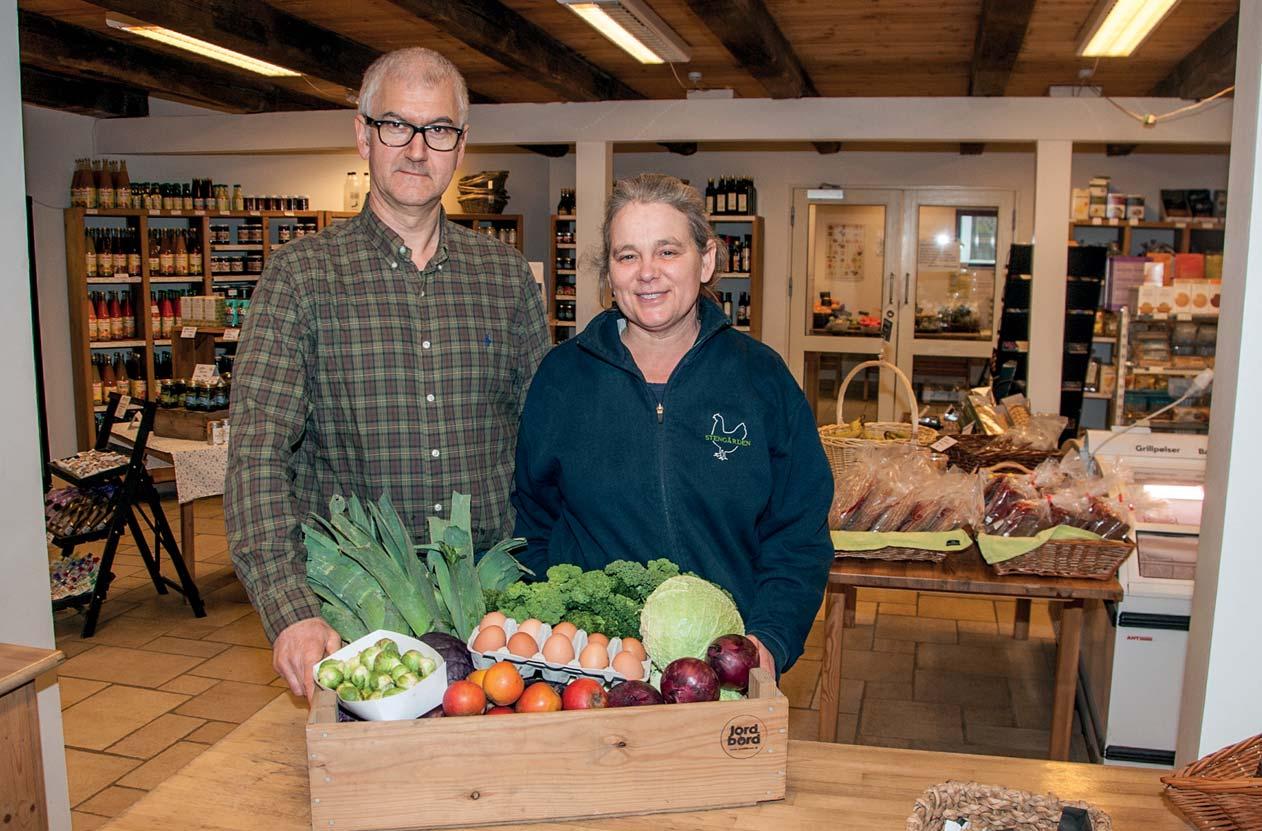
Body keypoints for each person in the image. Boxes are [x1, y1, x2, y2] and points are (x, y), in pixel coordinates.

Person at [225, 48, 550, 698]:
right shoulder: (300, 278)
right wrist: (290, 609)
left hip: (492, 616)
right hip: (355, 620)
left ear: (461, 146)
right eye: (397, 125)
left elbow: (544, 444)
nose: (417, 148)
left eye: (439, 129)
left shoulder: (506, 278)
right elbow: (257, 455)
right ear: (363, 134)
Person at [512, 173, 833, 675]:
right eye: (627, 255)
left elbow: (799, 533)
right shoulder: (563, 378)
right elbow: (531, 522)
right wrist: (550, 630)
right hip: (592, 666)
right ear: (609, 271)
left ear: (705, 261)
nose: (647, 273)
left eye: (667, 251)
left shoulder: (761, 378)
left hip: (723, 666)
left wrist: (770, 637)